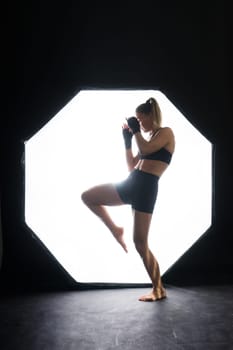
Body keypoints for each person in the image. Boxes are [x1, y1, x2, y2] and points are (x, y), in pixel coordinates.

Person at [81, 97, 175, 302]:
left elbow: (148, 150)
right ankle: (116, 229)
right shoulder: (145, 139)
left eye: (141, 120)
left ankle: (158, 288)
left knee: (140, 243)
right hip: (132, 181)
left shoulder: (165, 133)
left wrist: (137, 133)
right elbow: (131, 166)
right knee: (88, 196)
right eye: (137, 122)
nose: (139, 124)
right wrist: (127, 141)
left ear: (151, 116)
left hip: (146, 188)